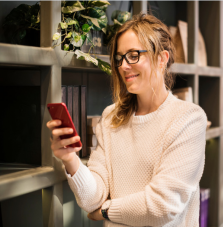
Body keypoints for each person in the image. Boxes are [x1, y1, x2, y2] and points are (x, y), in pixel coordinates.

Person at [47, 13, 207, 227]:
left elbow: (162, 206)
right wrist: (70, 159)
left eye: (133, 55)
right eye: (120, 57)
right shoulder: (110, 118)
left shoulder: (188, 120)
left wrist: (105, 211)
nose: (123, 65)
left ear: (162, 59)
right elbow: (92, 198)